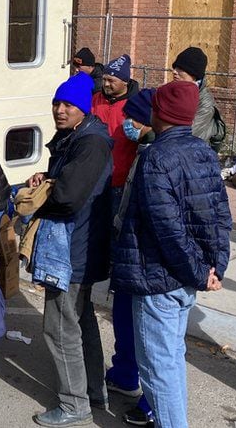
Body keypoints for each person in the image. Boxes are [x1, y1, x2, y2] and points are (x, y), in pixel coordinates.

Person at [111, 80, 231, 428]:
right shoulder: (204, 152)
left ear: (159, 113)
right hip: (186, 276)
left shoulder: (156, 158)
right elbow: (221, 217)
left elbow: (168, 229)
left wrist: (201, 272)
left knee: (158, 367)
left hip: (160, 279)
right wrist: (215, 267)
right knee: (172, 358)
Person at [26, 71, 113, 427]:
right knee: (81, 320)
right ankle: (93, 390)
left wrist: (40, 197)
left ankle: (75, 403)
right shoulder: (76, 136)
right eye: (57, 103)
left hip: (72, 249)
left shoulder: (89, 143)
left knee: (60, 327)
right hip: (80, 245)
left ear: (83, 108)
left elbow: (67, 197)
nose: (60, 111)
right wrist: (46, 180)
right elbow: (63, 184)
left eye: (68, 105)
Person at [104, 87, 157, 427]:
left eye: (134, 119)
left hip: (146, 261)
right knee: (124, 319)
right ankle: (125, 374)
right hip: (129, 252)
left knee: (149, 336)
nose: (128, 123)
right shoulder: (145, 149)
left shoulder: (159, 158)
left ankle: (152, 404)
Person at [91, 54, 139, 207]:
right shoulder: (95, 99)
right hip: (93, 176)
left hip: (120, 179)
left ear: (125, 82)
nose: (106, 84)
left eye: (111, 81)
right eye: (104, 79)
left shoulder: (135, 105)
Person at [171, 46, 223, 148]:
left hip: (193, 155)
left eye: (180, 69)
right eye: (175, 67)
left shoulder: (205, 103)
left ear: (194, 74)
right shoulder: (172, 92)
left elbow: (188, 135)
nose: (174, 71)